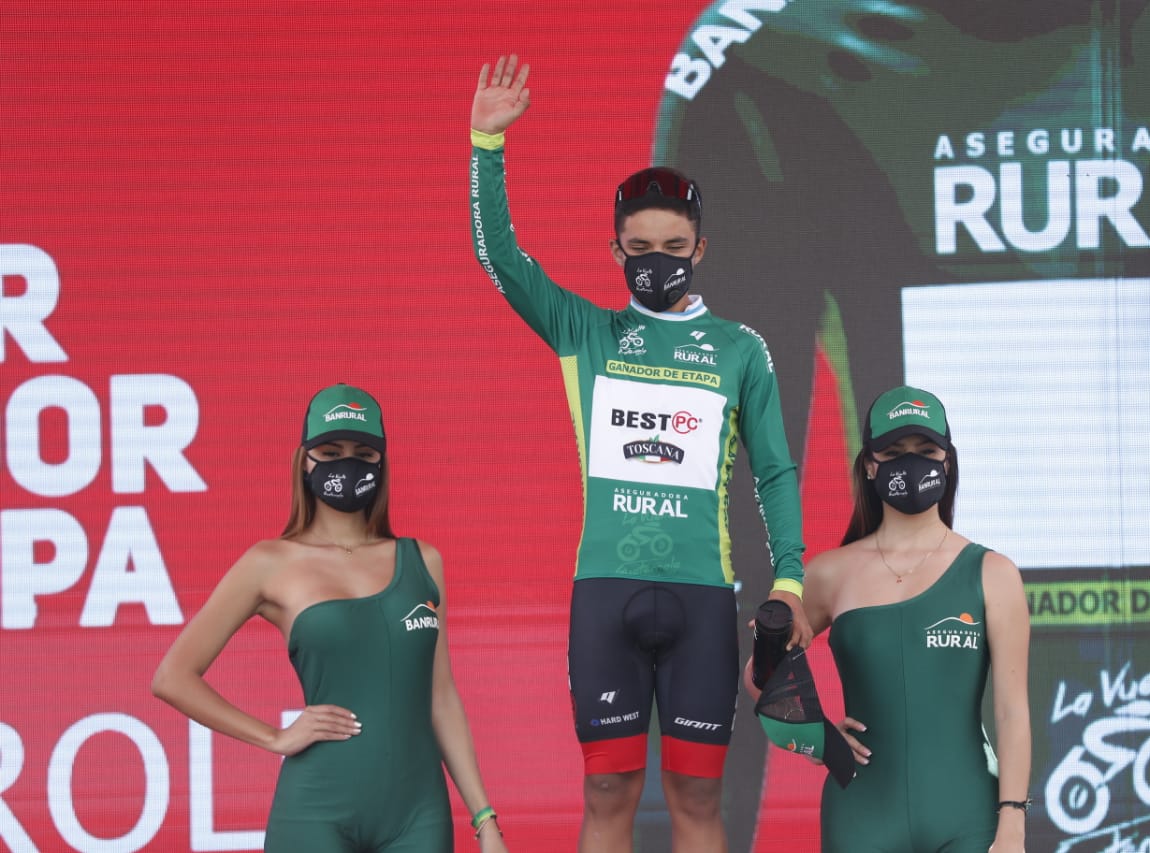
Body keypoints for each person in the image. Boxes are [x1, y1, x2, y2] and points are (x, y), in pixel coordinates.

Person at [469, 55, 813, 853]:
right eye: (640, 245)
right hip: (606, 596)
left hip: (702, 600)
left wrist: (790, 578)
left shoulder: (739, 348)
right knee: (606, 791)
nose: (658, 257)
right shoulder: (584, 332)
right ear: (616, 250)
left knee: (698, 797)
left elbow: (774, 471)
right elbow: (500, 259)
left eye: (674, 244)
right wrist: (487, 144)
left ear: (701, 248)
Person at [151, 383, 506, 853]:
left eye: (363, 453)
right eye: (331, 451)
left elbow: (440, 697)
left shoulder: (422, 561)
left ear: (381, 462)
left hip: (419, 814)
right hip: (316, 810)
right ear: (305, 460)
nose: (348, 464)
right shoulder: (269, 563)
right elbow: (173, 678)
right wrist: (274, 737)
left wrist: (485, 820)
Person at [798, 385, 1031, 852]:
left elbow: (1011, 711)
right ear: (869, 464)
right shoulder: (827, 574)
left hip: (970, 816)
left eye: (925, 451)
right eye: (893, 452)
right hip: (860, 816)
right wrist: (811, 734)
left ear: (947, 461)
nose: (910, 464)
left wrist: (1013, 822)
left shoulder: (993, 573)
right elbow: (763, 671)